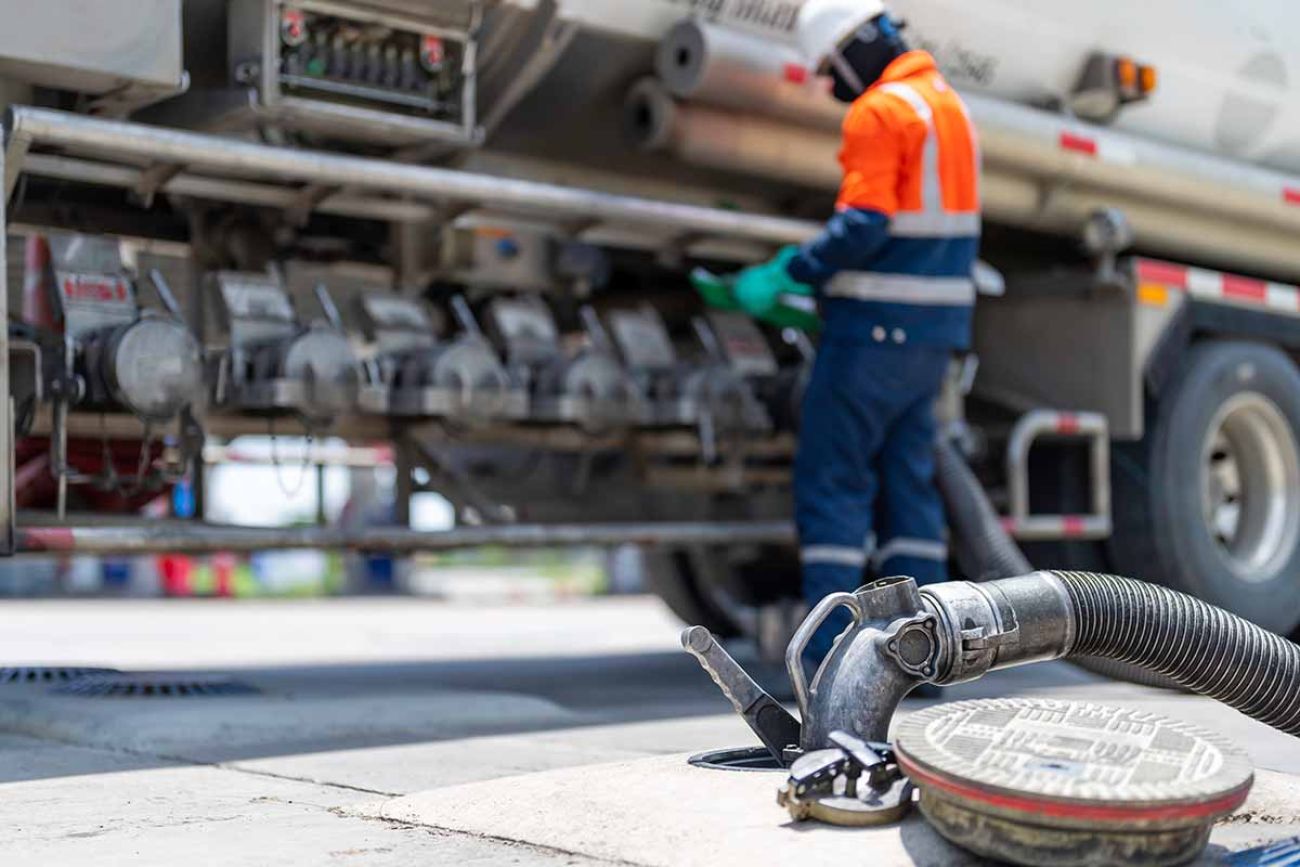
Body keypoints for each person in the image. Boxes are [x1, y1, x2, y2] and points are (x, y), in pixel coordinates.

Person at [728, 0, 981, 660]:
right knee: (910, 492)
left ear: (853, 49)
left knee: (834, 484)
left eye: (828, 68)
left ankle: (830, 661)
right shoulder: (948, 107)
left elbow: (866, 225)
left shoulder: (882, 109)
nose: (829, 84)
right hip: (932, 341)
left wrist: (794, 268)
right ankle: (925, 655)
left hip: (870, 336)